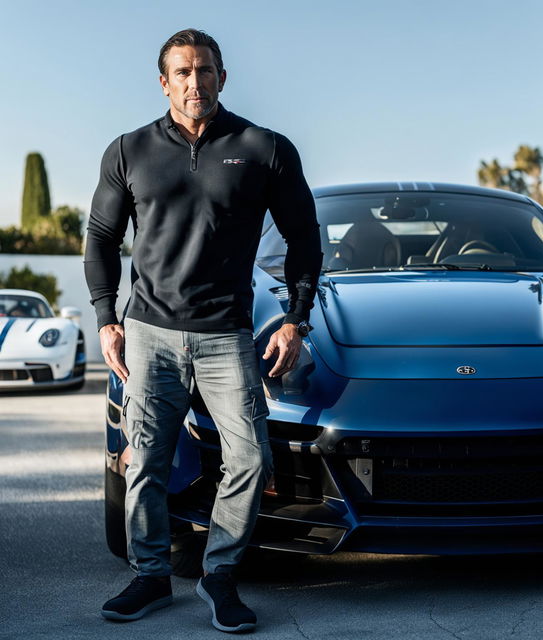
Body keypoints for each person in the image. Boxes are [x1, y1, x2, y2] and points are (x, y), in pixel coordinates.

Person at [84, 28, 322, 632]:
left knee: (248, 456)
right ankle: (149, 575)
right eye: (183, 73)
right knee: (145, 460)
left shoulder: (264, 147)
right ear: (164, 82)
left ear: (223, 76)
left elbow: (304, 240)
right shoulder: (129, 150)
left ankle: (219, 575)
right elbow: (101, 239)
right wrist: (106, 319)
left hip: (226, 335)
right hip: (148, 332)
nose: (196, 83)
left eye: (206, 70)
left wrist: (295, 320)